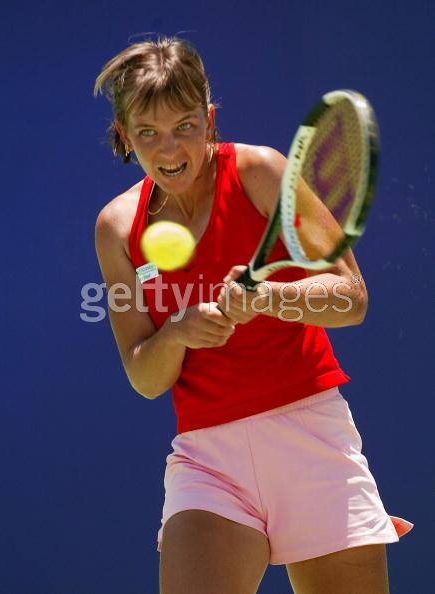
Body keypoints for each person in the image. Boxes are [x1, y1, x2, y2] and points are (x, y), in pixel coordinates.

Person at [94, 36, 412, 594]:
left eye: (185, 125)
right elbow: (145, 377)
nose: (169, 150)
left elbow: (351, 297)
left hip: (311, 436)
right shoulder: (117, 227)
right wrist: (179, 331)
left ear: (210, 119)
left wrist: (269, 298)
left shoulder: (260, 172)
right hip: (209, 461)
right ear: (124, 136)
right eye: (147, 133)